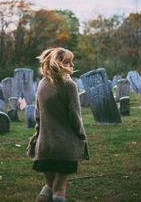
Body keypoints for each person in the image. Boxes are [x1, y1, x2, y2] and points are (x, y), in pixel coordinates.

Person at [27, 47, 89, 202]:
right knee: (59, 190)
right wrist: (81, 135)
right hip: (64, 147)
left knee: (48, 186)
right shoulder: (69, 86)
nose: (72, 65)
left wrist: (38, 136)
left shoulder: (42, 84)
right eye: (68, 61)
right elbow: (75, 116)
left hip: (45, 146)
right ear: (57, 63)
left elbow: (37, 115)